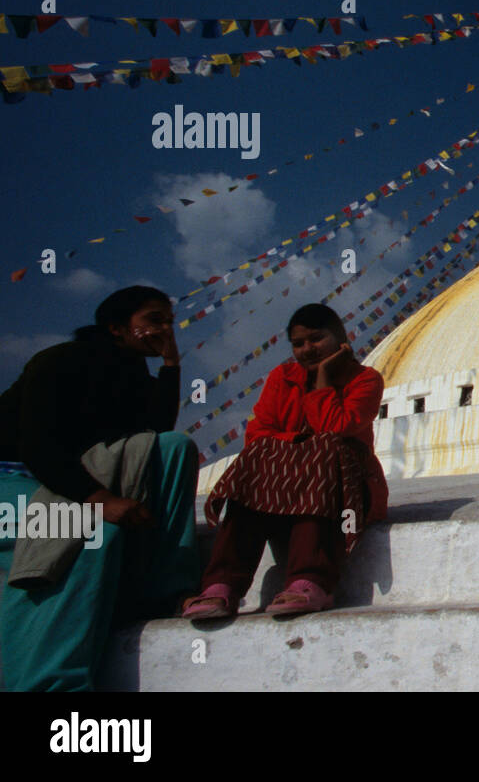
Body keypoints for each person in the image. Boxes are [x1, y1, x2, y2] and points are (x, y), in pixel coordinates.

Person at [0, 285, 199, 691]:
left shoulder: (133, 375)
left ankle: (165, 587)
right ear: (116, 328)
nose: (164, 327)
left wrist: (171, 363)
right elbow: (36, 446)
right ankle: (50, 683)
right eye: (152, 320)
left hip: (68, 477)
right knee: (89, 534)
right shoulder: (57, 362)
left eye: (168, 319)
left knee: (175, 447)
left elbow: (156, 432)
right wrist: (101, 501)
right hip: (14, 476)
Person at [183, 304, 386, 619]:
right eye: (298, 343)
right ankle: (222, 585)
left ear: (341, 339)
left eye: (316, 339)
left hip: (346, 490)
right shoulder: (282, 377)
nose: (307, 349)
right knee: (256, 459)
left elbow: (338, 427)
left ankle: (311, 580)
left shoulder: (365, 379)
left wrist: (322, 381)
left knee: (325, 447)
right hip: (282, 485)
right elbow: (258, 434)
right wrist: (297, 451)